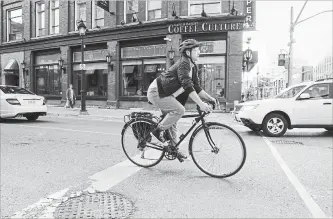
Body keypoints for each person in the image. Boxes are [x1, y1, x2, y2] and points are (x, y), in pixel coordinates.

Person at [147, 39, 217, 161]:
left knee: (173, 121)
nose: (199, 53)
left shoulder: (193, 67)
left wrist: (211, 99)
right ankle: (157, 131)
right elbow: (187, 85)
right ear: (188, 53)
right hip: (156, 92)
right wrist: (200, 104)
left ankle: (174, 149)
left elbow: (196, 87)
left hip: (165, 93)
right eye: (196, 50)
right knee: (179, 110)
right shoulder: (184, 64)